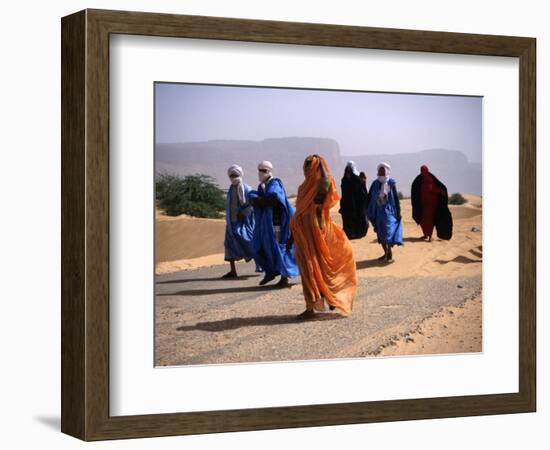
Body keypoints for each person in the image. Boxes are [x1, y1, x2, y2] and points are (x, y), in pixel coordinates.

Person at [290, 155, 357, 320]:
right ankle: (314, 304)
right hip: (303, 234)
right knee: (309, 269)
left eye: (309, 166)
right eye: (305, 165)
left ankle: (322, 301)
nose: (306, 169)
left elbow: (326, 187)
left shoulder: (322, 186)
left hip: (317, 233)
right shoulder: (304, 187)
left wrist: (320, 167)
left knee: (320, 267)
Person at [249, 161, 299, 286]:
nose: (261, 173)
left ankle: (284, 278)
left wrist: (258, 200)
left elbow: (274, 200)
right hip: (266, 225)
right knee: (260, 248)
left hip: (277, 224)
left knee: (278, 249)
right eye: (260, 170)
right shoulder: (263, 186)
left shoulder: (275, 184)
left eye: (264, 170)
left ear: (269, 171)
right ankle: (270, 272)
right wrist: (257, 199)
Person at [222, 165, 259, 278]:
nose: (234, 177)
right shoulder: (231, 189)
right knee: (229, 245)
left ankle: (261, 265)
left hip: (244, 223)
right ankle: (233, 271)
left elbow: (254, 204)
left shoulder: (247, 189)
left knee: (250, 242)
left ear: (240, 175)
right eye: (232, 176)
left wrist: (244, 213)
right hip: (231, 223)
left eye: (236, 175)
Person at [367, 162, 403, 262]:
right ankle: (386, 253)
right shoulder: (375, 184)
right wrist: (367, 209)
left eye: (383, 171)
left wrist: (398, 212)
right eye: (380, 171)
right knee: (380, 233)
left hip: (389, 213)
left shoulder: (391, 183)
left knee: (388, 233)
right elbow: (370, 197)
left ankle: (389, 253)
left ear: (387, 172)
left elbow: (396, 198)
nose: (381, 173)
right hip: (377, 212)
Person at [411, 165, 453, 241]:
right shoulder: (420, 179)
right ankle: (426, 234)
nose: (423, 172)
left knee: (429, 220)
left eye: (424, 171)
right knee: (423, 220)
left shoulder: (430, 178)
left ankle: (429, 236)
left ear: (427, 171)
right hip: (424, 204)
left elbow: (432, 188)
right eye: (422, 171)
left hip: (432, 204)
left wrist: (440, 191)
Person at [339, 161, 368, 240]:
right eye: (347, 170)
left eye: (349, 170)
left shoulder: (356, 179)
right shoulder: (344, 180)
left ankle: (356, 232)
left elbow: (362, 193)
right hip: (347, 204)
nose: (348, 173)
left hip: (355, 204)